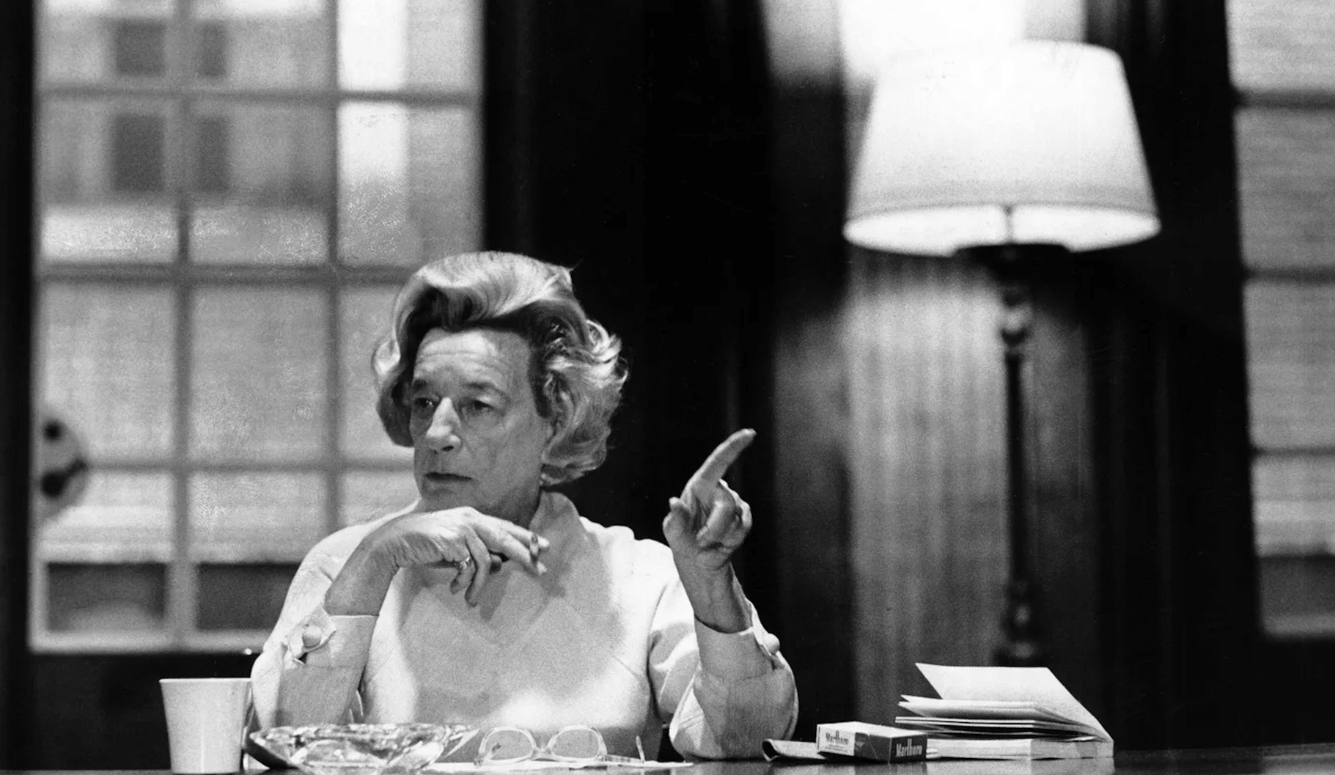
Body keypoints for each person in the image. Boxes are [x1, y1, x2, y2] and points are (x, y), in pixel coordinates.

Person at [249, 252, 797, 761]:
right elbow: (275, 752)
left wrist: (709, 585)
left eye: (477, 405)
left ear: (554, 420)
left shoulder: (638, 575)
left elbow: (745, 740)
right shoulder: (344, 565)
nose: (436, 433)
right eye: (423, 402)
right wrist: (373, 562)